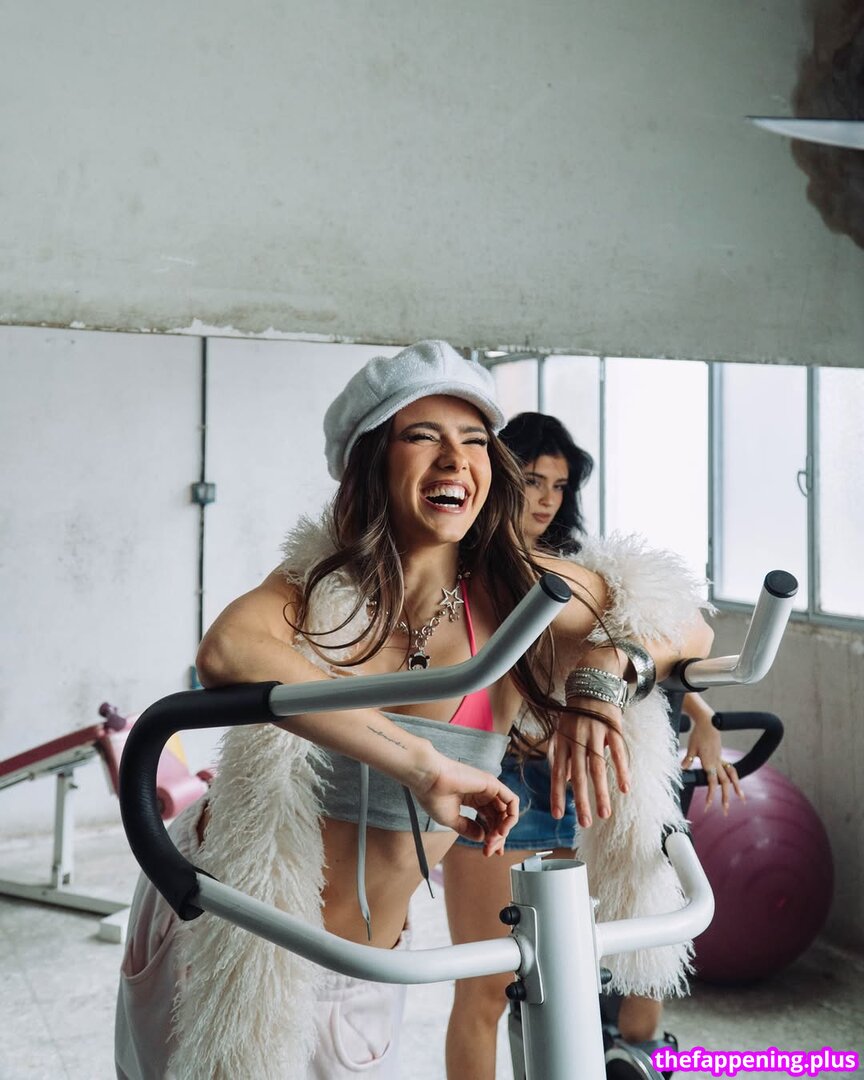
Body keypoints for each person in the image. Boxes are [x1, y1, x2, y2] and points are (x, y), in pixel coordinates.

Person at [114, 345, 713, 1080]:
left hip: (357, 966)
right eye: (422, 436)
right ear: (372, 462)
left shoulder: (519, 597)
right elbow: (227, 650)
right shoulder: (318, 586)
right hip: (221, 925)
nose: (453, 459)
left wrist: (601, 675)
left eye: (474, 441)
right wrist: (423, 766)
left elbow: (685, 624)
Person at [443, 412, 742, 1079]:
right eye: (533, 480)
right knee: (487, 985)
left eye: (559, 485)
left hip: (578, 776)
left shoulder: (578, 569)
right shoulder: (463, 563)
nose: (547, 498)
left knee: (577, 973)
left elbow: (666, 627)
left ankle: (626, 1053)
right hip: (499, 779)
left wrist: (700, 712)